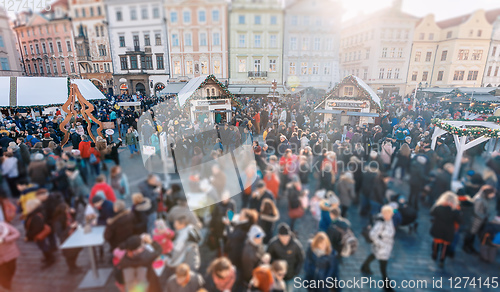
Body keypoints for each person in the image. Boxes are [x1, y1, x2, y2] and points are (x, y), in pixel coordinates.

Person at [360, 205, 396, 291]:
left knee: (374, 255)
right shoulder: (381, 223)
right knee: (383, 264)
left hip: (386, 246)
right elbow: (372, 234)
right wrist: (381, 244)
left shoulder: (389, 220)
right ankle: (386, 284)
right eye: (388, 214)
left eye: (391, 213)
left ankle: (364, 266)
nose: (390, 215)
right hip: (382, 247)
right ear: (384, 213)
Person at [267, 223, 304, 291]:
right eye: (282, 237)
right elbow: (268, 257)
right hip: (277, 277)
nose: (285, 239)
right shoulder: (273, 244)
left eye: (287, 236)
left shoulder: (296, 245)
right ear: (279, 236)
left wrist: (296, 272)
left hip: (290, 276)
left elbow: (301, 259)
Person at [430, 191, 462, 268]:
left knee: (436, 243)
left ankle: (435, 255)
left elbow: (432, 213)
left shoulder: (439, 206)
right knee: (445, 246)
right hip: (449, 230)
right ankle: (442, 260)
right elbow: (460, 221)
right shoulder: (455, 210)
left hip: (438, 227)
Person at [463, 185, 497, 254]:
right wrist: (485, 216)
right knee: (470, 234)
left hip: (479, 220)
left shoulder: (485, 198)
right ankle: (466, 247)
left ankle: (470, 247)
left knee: (473, 235)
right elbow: (476, 211)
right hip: (475, 220)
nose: (493, 195)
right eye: (493, 194)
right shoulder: (479, 199)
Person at [24, 198, 55, 269]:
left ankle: (50, 259)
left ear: (32, 207)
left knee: (44, 247)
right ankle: (48, 257)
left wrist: (29, 236)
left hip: (39, 235)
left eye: (27, 207)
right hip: (39, 235)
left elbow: (37, 228)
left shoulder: (35, 216)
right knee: (43, 247)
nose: (26, 208)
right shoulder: (36, 214)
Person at [0, 222, 20, 291]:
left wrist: (5, 239)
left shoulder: (4, 225)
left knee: (12, 270)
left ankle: (7, 285)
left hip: (11, 254)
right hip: (1, 259)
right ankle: (7, 287)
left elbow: (17, 234)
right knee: (3, 276)